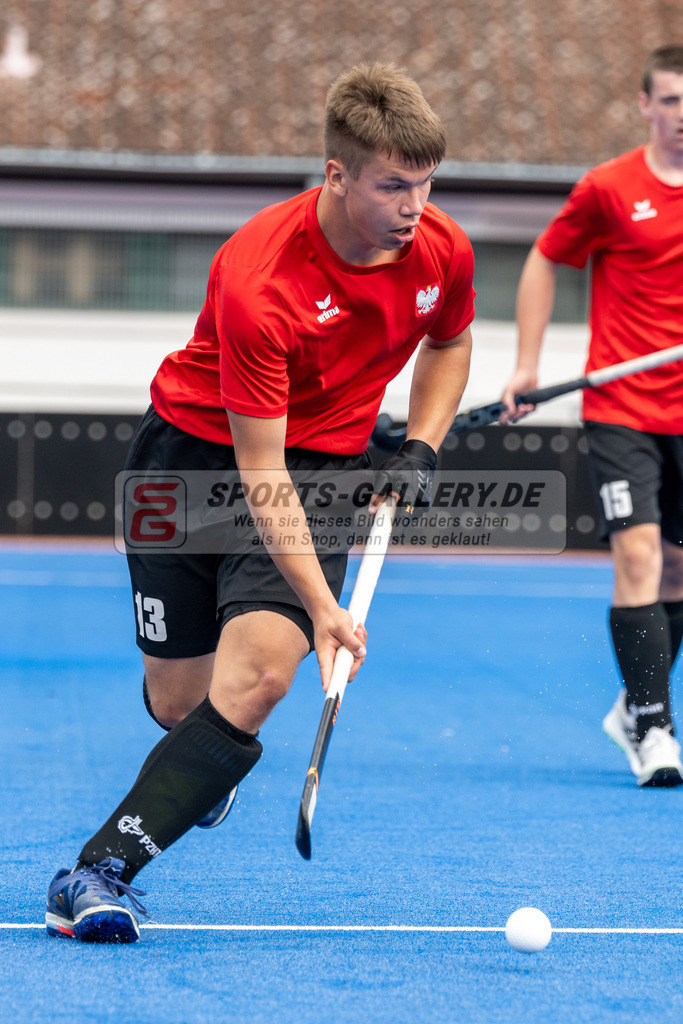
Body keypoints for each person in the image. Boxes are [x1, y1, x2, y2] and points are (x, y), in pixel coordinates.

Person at [45, 62, 475, 943]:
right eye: (392, 185)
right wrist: (325, 608)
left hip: (321, 475)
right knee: (180, 704)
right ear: (336, 175)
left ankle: (95, 872)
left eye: (425, 184)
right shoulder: (259, 280)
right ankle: (204, 761)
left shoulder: (440, 249)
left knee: (259, 680)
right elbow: (258, 474)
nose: (413, 207)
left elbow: (451, 343)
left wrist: (422, 445)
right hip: (193, 461)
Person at [502, 45, 683, 788]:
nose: (682, 116)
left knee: (675, 571)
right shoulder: (608, 189)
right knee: (639, 557)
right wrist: (526, 361)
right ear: (645, 105)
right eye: (670, 101)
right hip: (622, 408)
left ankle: (632, 705)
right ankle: (653, 726)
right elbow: (544, 259)